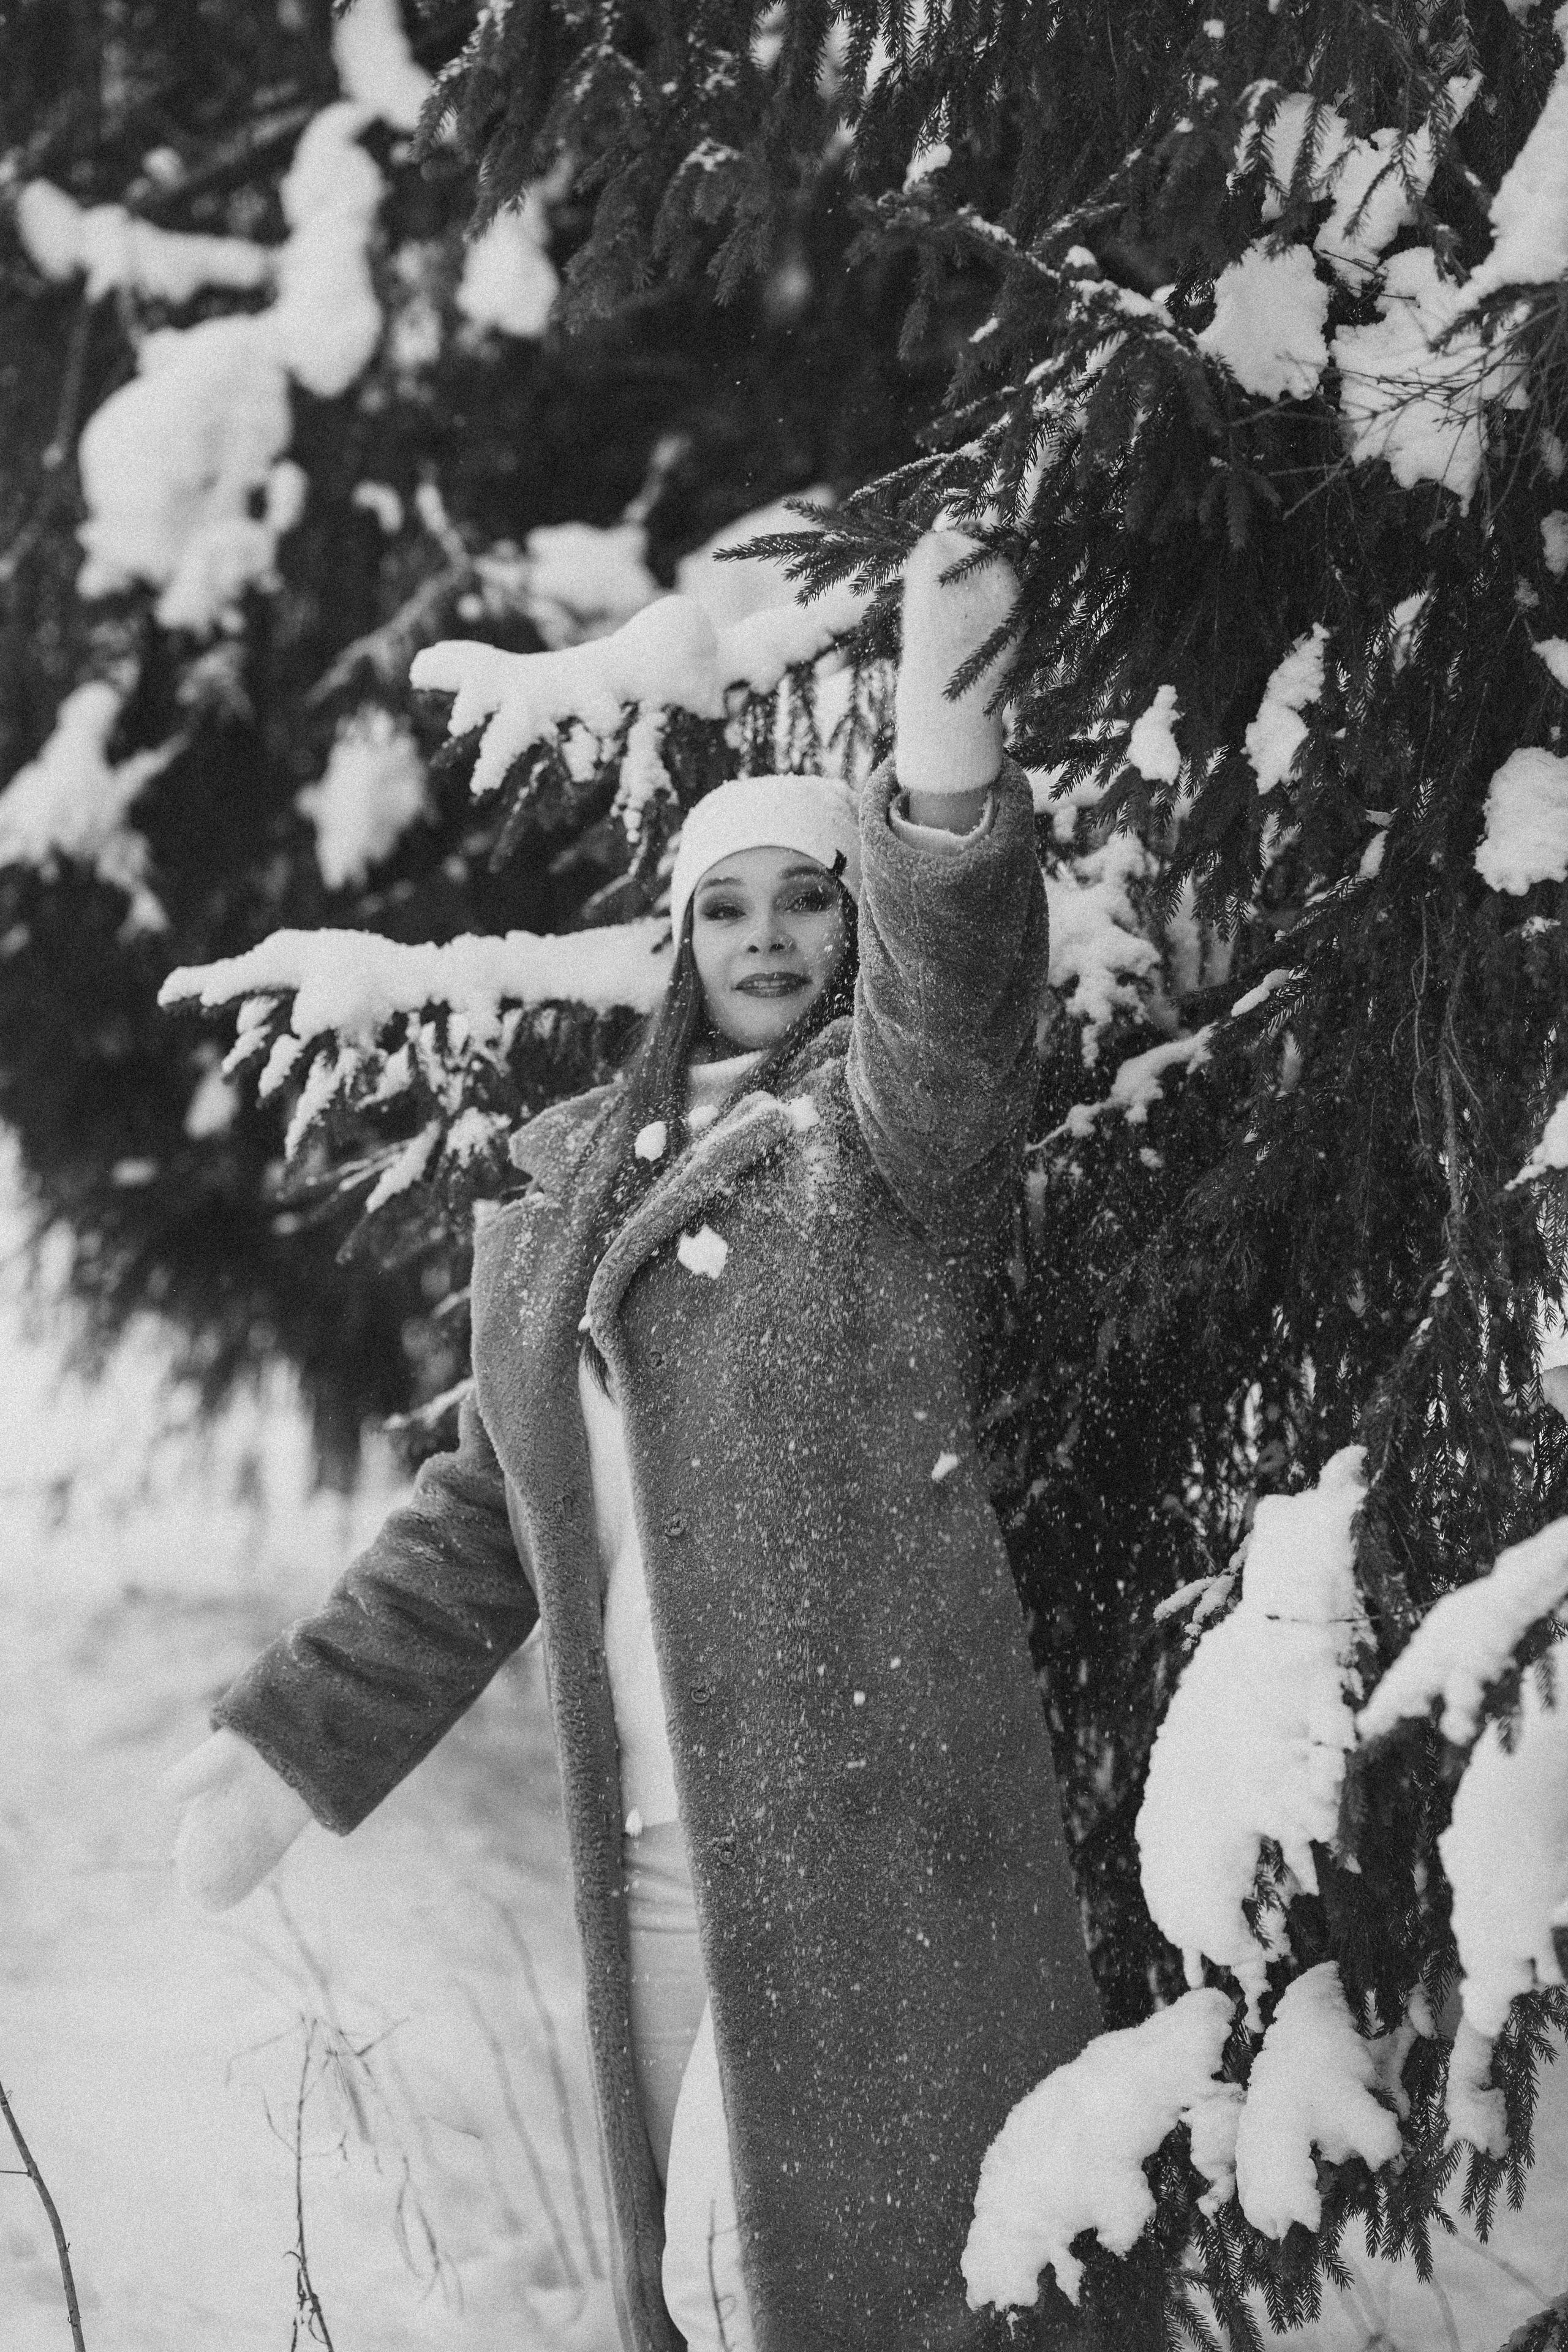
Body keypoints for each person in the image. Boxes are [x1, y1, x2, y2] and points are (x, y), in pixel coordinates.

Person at [164, 532, 1102, 2352]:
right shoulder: (569, 1193)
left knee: (816, 2298)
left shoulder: (886, 1146)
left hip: (866, 1846)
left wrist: (945, 766)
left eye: (810, 899)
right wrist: (295, 1740)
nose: (766, 937)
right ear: (675, 937)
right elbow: (488, 1525)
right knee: (720, 2303)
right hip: (656, 1864)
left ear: (857, 924)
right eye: (726, 904)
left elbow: (961, 1005)